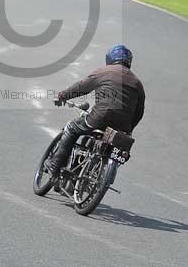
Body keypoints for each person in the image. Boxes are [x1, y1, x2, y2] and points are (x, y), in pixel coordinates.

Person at [46, 44, 145, 176]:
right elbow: (139, 112)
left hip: (100, 117)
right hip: (122, 127)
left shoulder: (104, 72)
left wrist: (63, 96)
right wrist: (129, 129)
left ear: (109, 58)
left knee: (71, 128)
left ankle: (55, 164)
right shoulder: (137, 83)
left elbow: (81, 87)